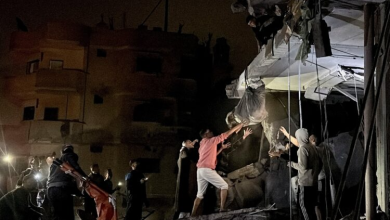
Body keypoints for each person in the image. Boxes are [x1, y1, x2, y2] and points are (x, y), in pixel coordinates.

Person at [191, 123, 252, 216]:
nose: (212, 132)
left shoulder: (202, 144)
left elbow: (215, 154)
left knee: (199, 195)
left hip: (200, 170)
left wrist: (222, 148)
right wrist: (240, 125)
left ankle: (192, 215)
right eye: (209, 132)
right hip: (208, 170)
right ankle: (222, 209)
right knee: (224, 186)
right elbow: (226, 134)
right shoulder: (211, 141)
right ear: (205, 134)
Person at [288, 128, 322, 220]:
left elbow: (303, 166)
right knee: (312, 207)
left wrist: (291, 164)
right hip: (313, 182)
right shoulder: (312, 147)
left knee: (304, 206)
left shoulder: (303, 149)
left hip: (305, 183)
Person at [47, 145, 87, 220]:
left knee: (56, 215)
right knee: (67, 214)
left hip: (51, 190)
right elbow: (75, 167)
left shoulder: (56, 163)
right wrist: (85, 176)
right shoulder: (69, 156)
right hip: (62, 189)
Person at [173, 139, 198, 219]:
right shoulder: (183, 151)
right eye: (190, 142)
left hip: (185, 180)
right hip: (185, 181)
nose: (192, 143)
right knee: (184, 199)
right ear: (185, 144)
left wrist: (191, 144)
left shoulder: (184, 151)